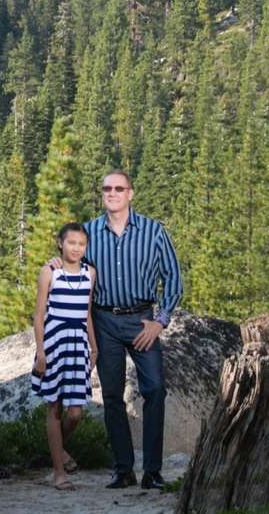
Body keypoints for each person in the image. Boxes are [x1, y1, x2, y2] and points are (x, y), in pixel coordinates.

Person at [82, 169, 183, 491]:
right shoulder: (88, 233)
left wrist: (160, 321)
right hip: (104, 321)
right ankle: (123, 470)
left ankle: (152, 471)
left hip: (142, 322)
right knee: (112, 397)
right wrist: (54, 266)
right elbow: (73, 268)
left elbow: (174, 280)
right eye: (107, 189)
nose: (112, 193)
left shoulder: (154, 232)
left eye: (119, 188)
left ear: (131, 193)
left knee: (154, 391)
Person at [32, 222, 97, 490]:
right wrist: (40, 351)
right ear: (60, 243)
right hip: (54, 342)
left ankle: (55, 449)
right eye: (71, 243)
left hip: (78, 344)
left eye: (81, 244)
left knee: (75, 412)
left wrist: (94, 347)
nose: (76, 248)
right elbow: (38, 315)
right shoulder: (49, 272)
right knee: (55, 407)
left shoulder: (90, 273)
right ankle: (59, 472)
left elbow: (87, 313)